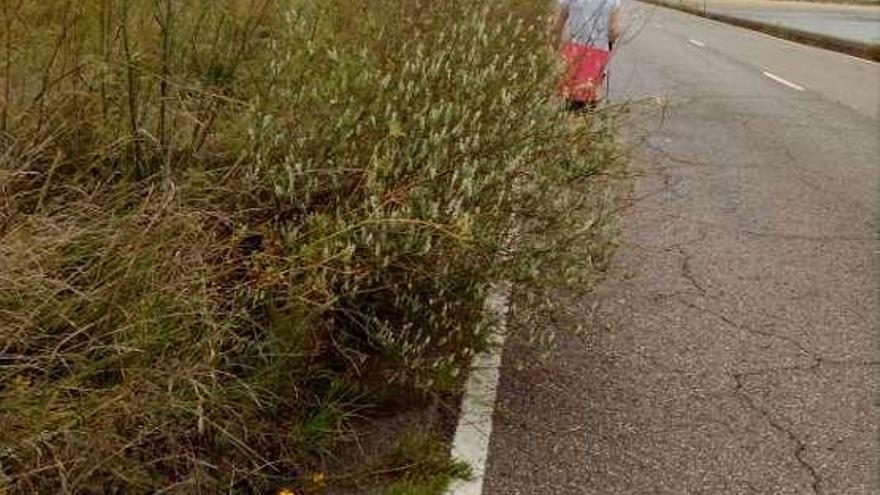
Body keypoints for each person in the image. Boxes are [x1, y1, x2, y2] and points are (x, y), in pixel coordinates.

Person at [556, 0, 622, 111]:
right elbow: (613, 31)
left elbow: (558, 23)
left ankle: (567, 121)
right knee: (588, 98)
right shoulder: (613, 1)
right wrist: (612, 38)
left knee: (569, 94)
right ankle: (581, 124)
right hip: (597, 53)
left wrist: (557, 46)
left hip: (573, 50)